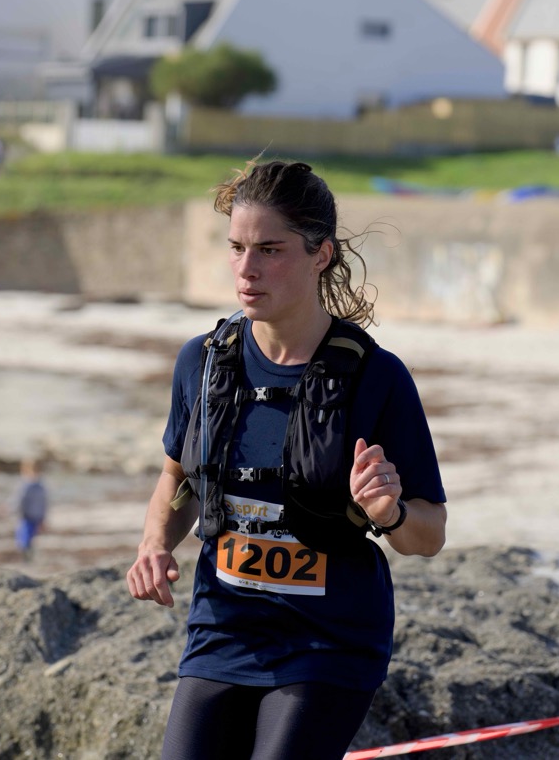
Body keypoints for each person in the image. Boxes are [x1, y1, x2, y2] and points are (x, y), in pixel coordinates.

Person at [126, 160, 448, 760]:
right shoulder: (203, 362)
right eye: (236, 248)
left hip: (328, 643)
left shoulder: (377, 378)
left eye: (269, 250)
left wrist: (391, 513)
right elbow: (178, 480)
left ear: (320, 254)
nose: (246, 269)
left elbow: (429, 536)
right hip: (223, 630)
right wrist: (154, 544)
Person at [11, 457, 48, 561]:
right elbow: (45, 504)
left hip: (27, 516)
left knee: (25, 537)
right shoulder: (41, 486)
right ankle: (28, 556)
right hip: (35, 515)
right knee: (28, 537)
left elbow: (18, 500)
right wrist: (43, 517)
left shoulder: (26, 486)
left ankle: (27, 557)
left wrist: (11, 509)